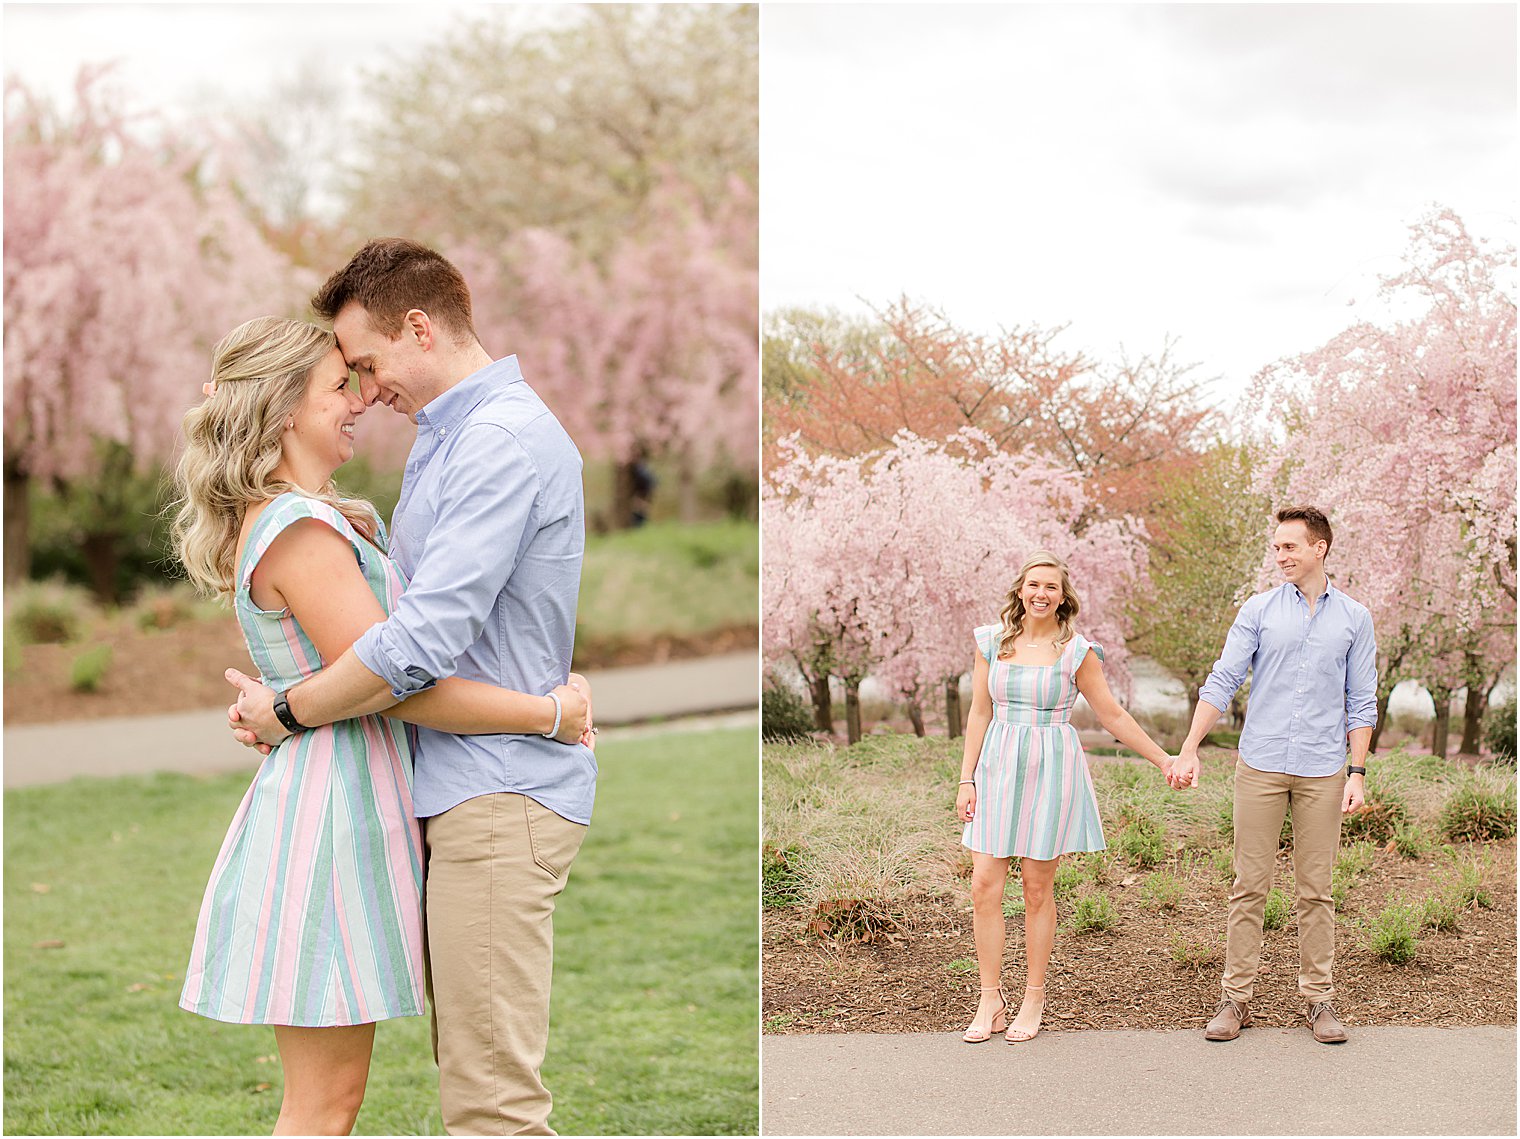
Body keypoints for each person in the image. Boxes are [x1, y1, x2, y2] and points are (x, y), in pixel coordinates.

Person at [171, 315, 592, 1135]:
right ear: (285, 406)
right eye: (339, 385)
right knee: (326, 1103)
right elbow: (396, 684)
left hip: (356, 800)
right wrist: (549, 712)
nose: (360, 398)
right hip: (334, 814)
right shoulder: (300, 529)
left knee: (335, 1099)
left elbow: (365, 672)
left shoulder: (312, 517)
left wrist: (284, 703)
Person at [1170, 505, 1376, 1045]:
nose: (1280, 555)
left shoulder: (1355, 618)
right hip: (1259, 764)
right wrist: (1190, 748)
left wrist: (1356, 772)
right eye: (1277, 546)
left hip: (1324, 769)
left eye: (1290, 546)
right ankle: (1235, 999)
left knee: (1317, 890)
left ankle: (1319, 999)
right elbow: (1223, 680)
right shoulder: (1258, 610)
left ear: (1319, 548)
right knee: (1248, 886)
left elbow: (1362, 701)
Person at [956, 551, 1175, 1044]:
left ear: (1063, 596)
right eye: (1033, 584)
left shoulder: (1078, 652)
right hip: (995, 768)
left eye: (1050, 587)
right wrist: (966, 778)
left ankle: (1033, 997)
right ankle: (990, 997)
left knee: (1036, 889)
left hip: (1050, 768)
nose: (1040, 593)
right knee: (984, 886)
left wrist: (1163, 759)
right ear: (1020, 590)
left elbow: (1112, 716)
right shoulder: (990, 643)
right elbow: (977, 713)